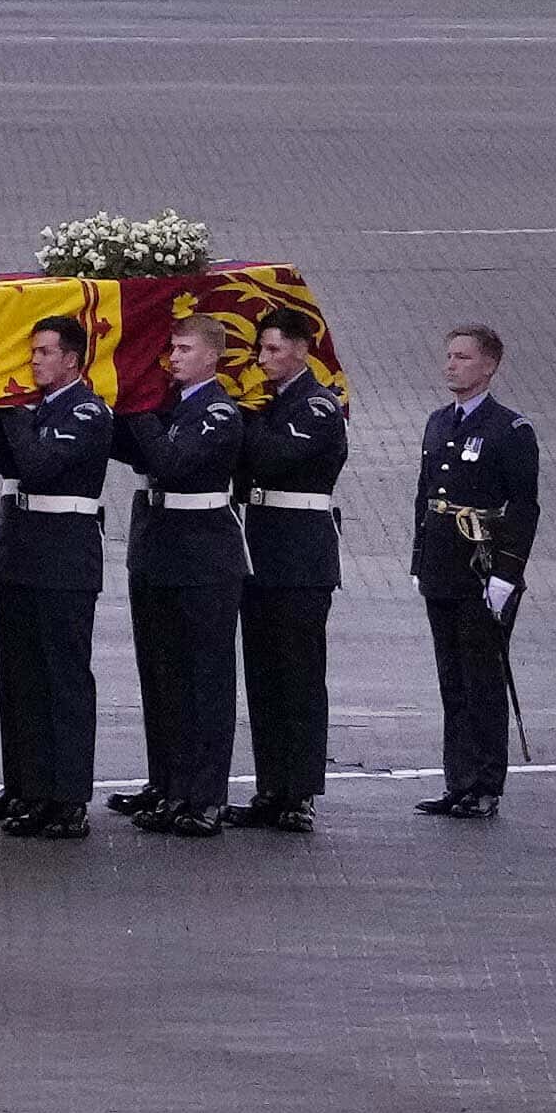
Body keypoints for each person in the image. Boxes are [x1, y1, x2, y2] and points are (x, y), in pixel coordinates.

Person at [112, 306, 254, 836]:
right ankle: (170, 785)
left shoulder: (219, 412)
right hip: (157, 551)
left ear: (213, 356)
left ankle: (205, 797)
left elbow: (172, 463)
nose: (173, 358)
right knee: (163, 675)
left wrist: (139, 407)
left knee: (205, 680)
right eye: (170, 349)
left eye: (184, 349)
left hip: (204, 558)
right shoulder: (169, 406)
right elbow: (125, 448)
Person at [0, 304, 113, 837]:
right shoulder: (40, 411)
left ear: (72, 360)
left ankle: (69, 798)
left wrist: (9, 407)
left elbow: (36, 463)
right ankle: (30, 789)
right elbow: (4, 461)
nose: (32, 361)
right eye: (29, 352)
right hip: (23, 555)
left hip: (65, 560)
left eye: (42, 353)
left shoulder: (86, 413)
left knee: (64, 680)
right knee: (22, 679)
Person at [410, 324, 539, 818]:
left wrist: (506, 575)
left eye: (463, 357)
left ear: (488, 367)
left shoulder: (510, 430)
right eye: (449, 356)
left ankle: (485, 783)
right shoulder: (438, 423)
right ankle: (457, 780)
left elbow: (524, 507)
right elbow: (427, 498)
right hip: (443, 566)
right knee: (452, 679)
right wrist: (419, 560)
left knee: (482, 678)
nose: (451, 365)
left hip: (483, 571)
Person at [237, 318, 354, 829]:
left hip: (302, 558)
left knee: (300, 676)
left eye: (274, 349)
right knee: (264, 676)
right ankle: (271, 786)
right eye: (261, 349)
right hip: (261, 551)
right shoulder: (274, 404)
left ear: (304, 351)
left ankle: (300, 791)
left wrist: (243, 418)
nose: (263, 358)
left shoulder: (317, 406)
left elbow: (272, 457)